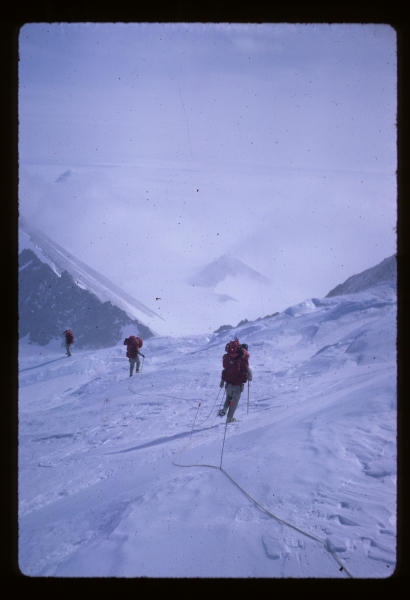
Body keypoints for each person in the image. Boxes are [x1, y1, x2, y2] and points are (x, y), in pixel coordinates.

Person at [218, 338, 252, 422]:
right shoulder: (243, 360)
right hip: (237, 386)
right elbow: (248, 371)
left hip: (228, 385)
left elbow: (225, 369)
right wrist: (249, 378)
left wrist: (222, 382)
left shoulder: (229, 357)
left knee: (228, 398)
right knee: (233, 402)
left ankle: (224, 410)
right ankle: (229, 418)